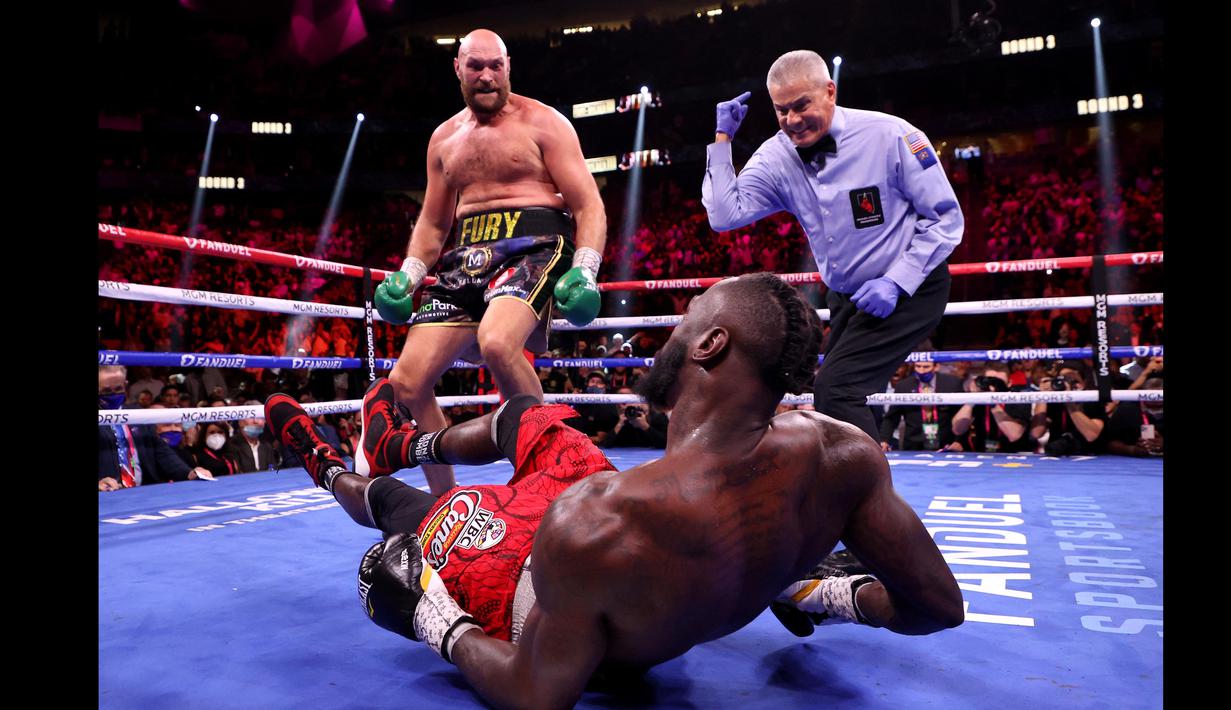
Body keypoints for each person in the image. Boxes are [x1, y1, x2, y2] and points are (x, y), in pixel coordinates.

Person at [266, 273, 962, 708]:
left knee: (404, 509)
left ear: (710, 345)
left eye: (686, 317)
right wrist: (834, 591)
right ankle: (410, 443)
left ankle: (332, 468)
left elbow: (537, 693)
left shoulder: (598, 525)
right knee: (530, 418)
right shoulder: (841, 453)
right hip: (618, 528)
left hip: (536, 586)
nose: (671, 329)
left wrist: (429, 617)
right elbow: (936, 606)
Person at [373, 28, 608, 495]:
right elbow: (434, 225)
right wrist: (409, 273)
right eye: (475, 66)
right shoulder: (443, 139)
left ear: (508, 67)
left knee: (499, 344)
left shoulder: (545, 122)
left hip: (534, 244)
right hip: (465, 257)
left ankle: (550, 482)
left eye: (494, 66)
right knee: (406, 383)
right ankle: (444, 502)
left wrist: (585, 268)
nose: (486, 76)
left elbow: (588, 205)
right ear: (457, 68)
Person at [701, 50, 963, 442]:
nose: (792, 120)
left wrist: (896, 281)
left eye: (801, 105)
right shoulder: (777, 156)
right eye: (781, 110)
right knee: (827, 398)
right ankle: (845, 490)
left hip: (914, 285)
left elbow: (945, 218)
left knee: (838, 390)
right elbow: (724, 215)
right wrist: (723, 140)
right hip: (846, 296)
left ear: (829, 91)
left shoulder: (892, 136)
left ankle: (870, 498)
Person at [98, 365, 210, 491]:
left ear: (126, 385)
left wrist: (188, 473)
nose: (113, 395)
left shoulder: (138, 415)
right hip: (108, 495)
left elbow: (160, 450)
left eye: (118, 389)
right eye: (106, 391)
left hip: (145, 492)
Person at [878, 361, 963, 451]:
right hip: (913, 445)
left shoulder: (952, 383)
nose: (921, 371)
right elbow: (892, 417)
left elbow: (962, 415)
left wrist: (959, 441)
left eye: (926, 367)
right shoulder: (904, 386)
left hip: (946, 444)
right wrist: (884, 440)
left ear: (936, 367)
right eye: (918, 366)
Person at [950, 361, 1032, 453]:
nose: (993, 387)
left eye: (998, 382)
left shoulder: (1018, 399)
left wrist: (993, 403)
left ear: (1009, 383)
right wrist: (972, 399)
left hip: (1010, 455)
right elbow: (957, 430)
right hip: (978, 454)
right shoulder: (977, 399)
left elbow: (1014, 435)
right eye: (990, 381)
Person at [1030, 362, 1107, 456]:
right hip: (1057, 455)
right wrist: (1042, 396)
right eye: (1062, 379)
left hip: (1089, 455)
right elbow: (1036, 433)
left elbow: (1091, 435)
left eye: (1072, 379)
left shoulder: (1092, 400)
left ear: (1083, 383)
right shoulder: (1055, 402)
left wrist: (1069, 401)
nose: (1067, 383)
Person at [226, 401, 279, 473]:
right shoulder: (231, 444)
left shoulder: (267, 446)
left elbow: (272, 469)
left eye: (259, 417)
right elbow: (237, 472)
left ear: (265, 422)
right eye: (251, 417)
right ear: (240, 421)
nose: (255, 421)